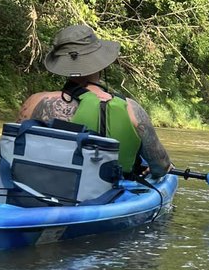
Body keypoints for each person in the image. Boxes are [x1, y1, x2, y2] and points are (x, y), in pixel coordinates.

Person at [18, 23, 171, 178]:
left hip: (46, 188)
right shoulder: (132, 110)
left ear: (62, 65)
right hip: (111, 195)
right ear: (101, 63)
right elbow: (161, 167)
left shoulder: (35, 102)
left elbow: (11, 150)